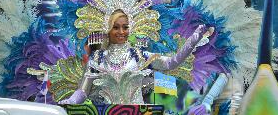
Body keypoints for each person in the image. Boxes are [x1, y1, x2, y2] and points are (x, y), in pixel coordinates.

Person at [59, 9, 210, 105]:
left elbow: (172, 63)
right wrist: (71, 100)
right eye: (116, 27)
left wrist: (195, 37)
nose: (121, 32)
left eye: (125, 27)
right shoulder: (97, 59)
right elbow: (83, 91)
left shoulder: (138, 56)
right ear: (107, 29)